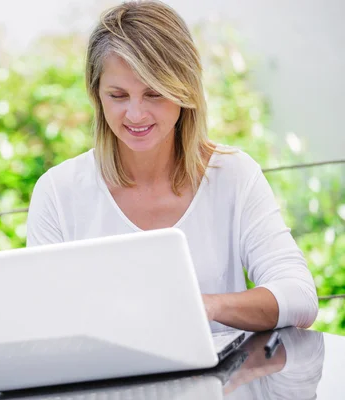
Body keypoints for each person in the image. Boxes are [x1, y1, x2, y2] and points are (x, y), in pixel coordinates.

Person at [25, 0, 318, 332]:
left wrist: (206, 305)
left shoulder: (233, 176)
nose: (135, 115)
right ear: (97, 96)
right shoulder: (58, 192)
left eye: (153, 94)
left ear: (184, 91)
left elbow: (300, 297)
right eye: (118, 96)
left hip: (220, 383)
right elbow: (43, 321)